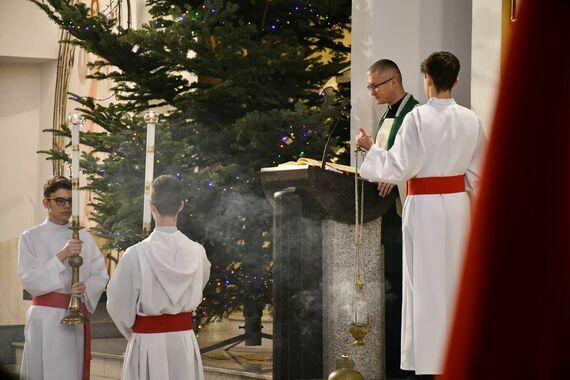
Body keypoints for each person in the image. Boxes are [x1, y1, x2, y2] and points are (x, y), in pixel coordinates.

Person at [356, 51, 486, 377]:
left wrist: (370, 148)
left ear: (426, 79)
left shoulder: (416, 118)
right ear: (455, 80)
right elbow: (479, 174)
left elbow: (397, 166)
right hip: (458, 208)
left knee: (423, 285)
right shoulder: (472, 119)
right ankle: (458, 356)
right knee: (455, 282)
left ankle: (429, 362)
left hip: (425, 207)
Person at [106, 174, 211, 380]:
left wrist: (134, 333)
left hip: (147, 343)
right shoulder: (198, 252)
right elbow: (200, 284)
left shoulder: (135, 254)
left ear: (152, 206)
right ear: (181, 205)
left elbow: (118, 304)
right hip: (184, 343)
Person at [18, 175, 109, 380]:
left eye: (70, 201)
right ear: (46, 203)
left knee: (69, 373)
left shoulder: (84, 236)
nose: (66, 206)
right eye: (60, 200)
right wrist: (62, 255)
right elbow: (29, 280)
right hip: (44, 318)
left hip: (73, 317)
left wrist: (85, 289)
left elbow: (100, 274)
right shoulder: (30, 237)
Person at [367, 58, 418, 378]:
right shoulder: (388, 115)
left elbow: (416, 167)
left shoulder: (415, 114)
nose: (371, 91)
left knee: (402, 295)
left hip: (406, 217)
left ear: (393, 82)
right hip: (385, 217)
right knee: (391, 294)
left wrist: (394, 177)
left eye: (375, 85)